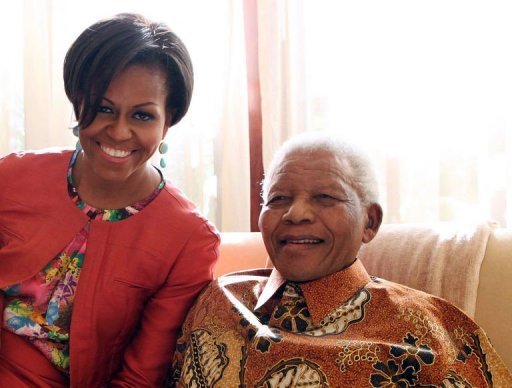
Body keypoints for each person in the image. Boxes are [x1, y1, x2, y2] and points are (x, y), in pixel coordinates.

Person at [170, 133, 512, 386]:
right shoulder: (219, 300)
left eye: (324, 197)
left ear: (370, 222)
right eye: (278, 198)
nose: (296, 213)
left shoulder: (434, 334)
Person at [0, 13, 219, 386]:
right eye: (103, 108)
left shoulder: (190, 241)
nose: (119, 132)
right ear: (78, 103)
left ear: (168, 122)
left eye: (142, 115)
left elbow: (140, 377)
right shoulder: (11, 178)